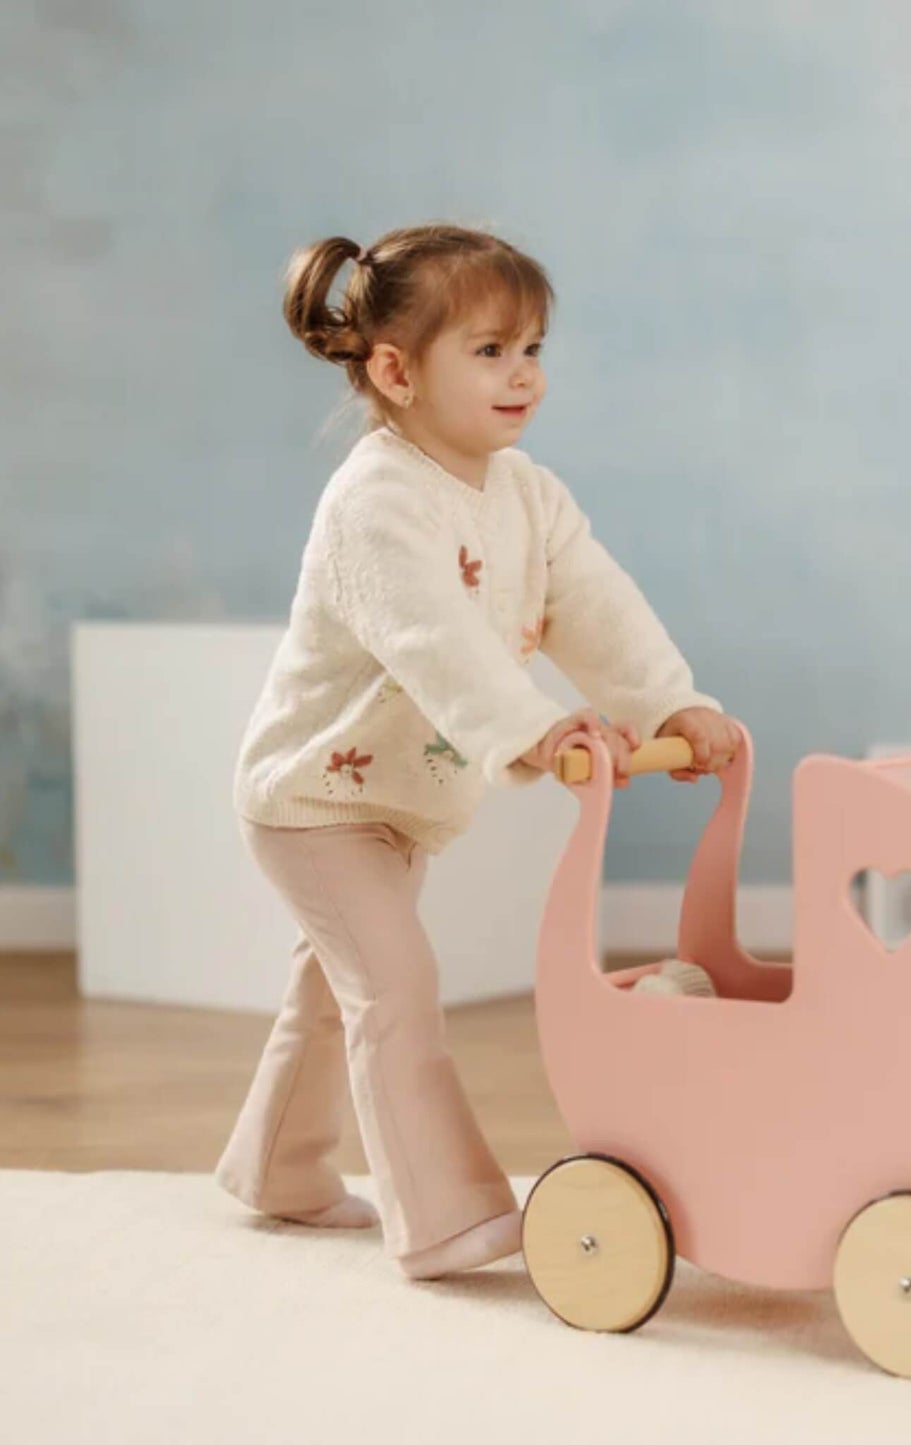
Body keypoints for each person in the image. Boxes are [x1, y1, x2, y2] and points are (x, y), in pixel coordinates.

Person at [216, 222, 742, 1280]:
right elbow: (431, 639)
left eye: (533, 349)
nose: (523, 376)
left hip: (401, 803)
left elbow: (595, 606)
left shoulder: (527, 494)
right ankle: (448, 1214)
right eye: (490, 351)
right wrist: (536, 729)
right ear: (397, 371)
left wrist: (670, 704)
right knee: (395, 984)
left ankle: (274, 1168)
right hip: (313, 798)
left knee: (335, 986)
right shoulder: (376, 500)